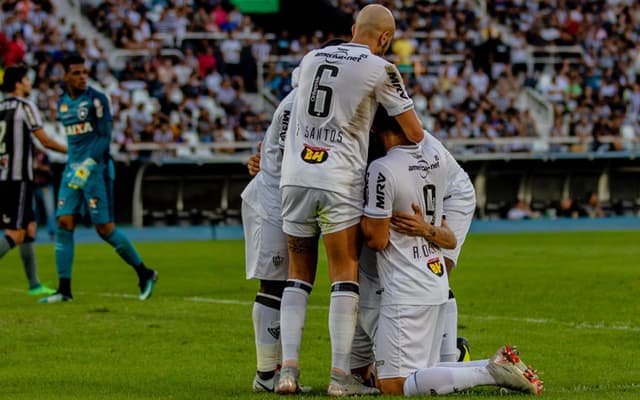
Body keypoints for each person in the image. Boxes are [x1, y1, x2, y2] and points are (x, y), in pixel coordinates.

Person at [276, 4, 424, 396]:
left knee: (297, 275)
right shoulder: (381, 68)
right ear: (386, 38)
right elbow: (414, 133)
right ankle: (341, 377)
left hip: (294, 176)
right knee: (344, 272)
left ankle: (287, 372)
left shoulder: (311, 58)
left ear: (354, 27)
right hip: (338, 177)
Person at [360, 109, 542, 396]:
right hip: (432, 279)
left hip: (405, 287)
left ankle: (488, 372)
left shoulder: (382, 168)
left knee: (393, 385)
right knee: (425, 369)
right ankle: (494, 364)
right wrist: (427, 229)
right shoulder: (432, 161)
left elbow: (377, 240)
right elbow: (449, 237)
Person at [242, 39, 347, 394]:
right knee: (278, 282)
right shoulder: (305, 100)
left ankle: (274, 374)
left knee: (284, 282)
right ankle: (268, 375)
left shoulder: (303, 97)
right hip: (278, 199)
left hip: (288, 196)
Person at [351, 113, 478, 385]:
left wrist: (428, 228)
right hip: (413, 191)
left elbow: (378, 237)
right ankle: (379, 360)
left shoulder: (393, 140)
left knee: (432, 270)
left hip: (449, 194)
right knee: (377, 279)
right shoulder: (372, 132)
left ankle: (450, 356)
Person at [39, 55, 157, 303]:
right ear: (66, 76)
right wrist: (75, 163)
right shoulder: (62, 103)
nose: (82, 77)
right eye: (77, 73)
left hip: (96, 171)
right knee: (63, 223)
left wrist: (89, 164)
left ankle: (145, 273)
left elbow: (104, 137)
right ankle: (64, 290)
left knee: (105, 229)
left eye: (85, 72)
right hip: (72, 171)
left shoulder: (97, 100)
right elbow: (75, 142)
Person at [0, 64, 67, 295]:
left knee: (29, 229)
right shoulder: (25, 106)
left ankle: (34, 285)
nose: (30, 83)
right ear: (18, 83)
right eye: (27, 80)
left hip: (9, 176)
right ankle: (34, 284)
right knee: (15, 234)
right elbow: (44, 140)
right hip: (17, 179)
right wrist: (71, 151)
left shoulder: (0, 107)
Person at [33, 148, 57, 240]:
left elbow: (49, 168)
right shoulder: (27, 155)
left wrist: (38, 166)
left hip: (45, 186)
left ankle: (52, 232)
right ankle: (33, 233)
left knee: (50, 210)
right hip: (32, 187)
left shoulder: (43, 154)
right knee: (33, 211)